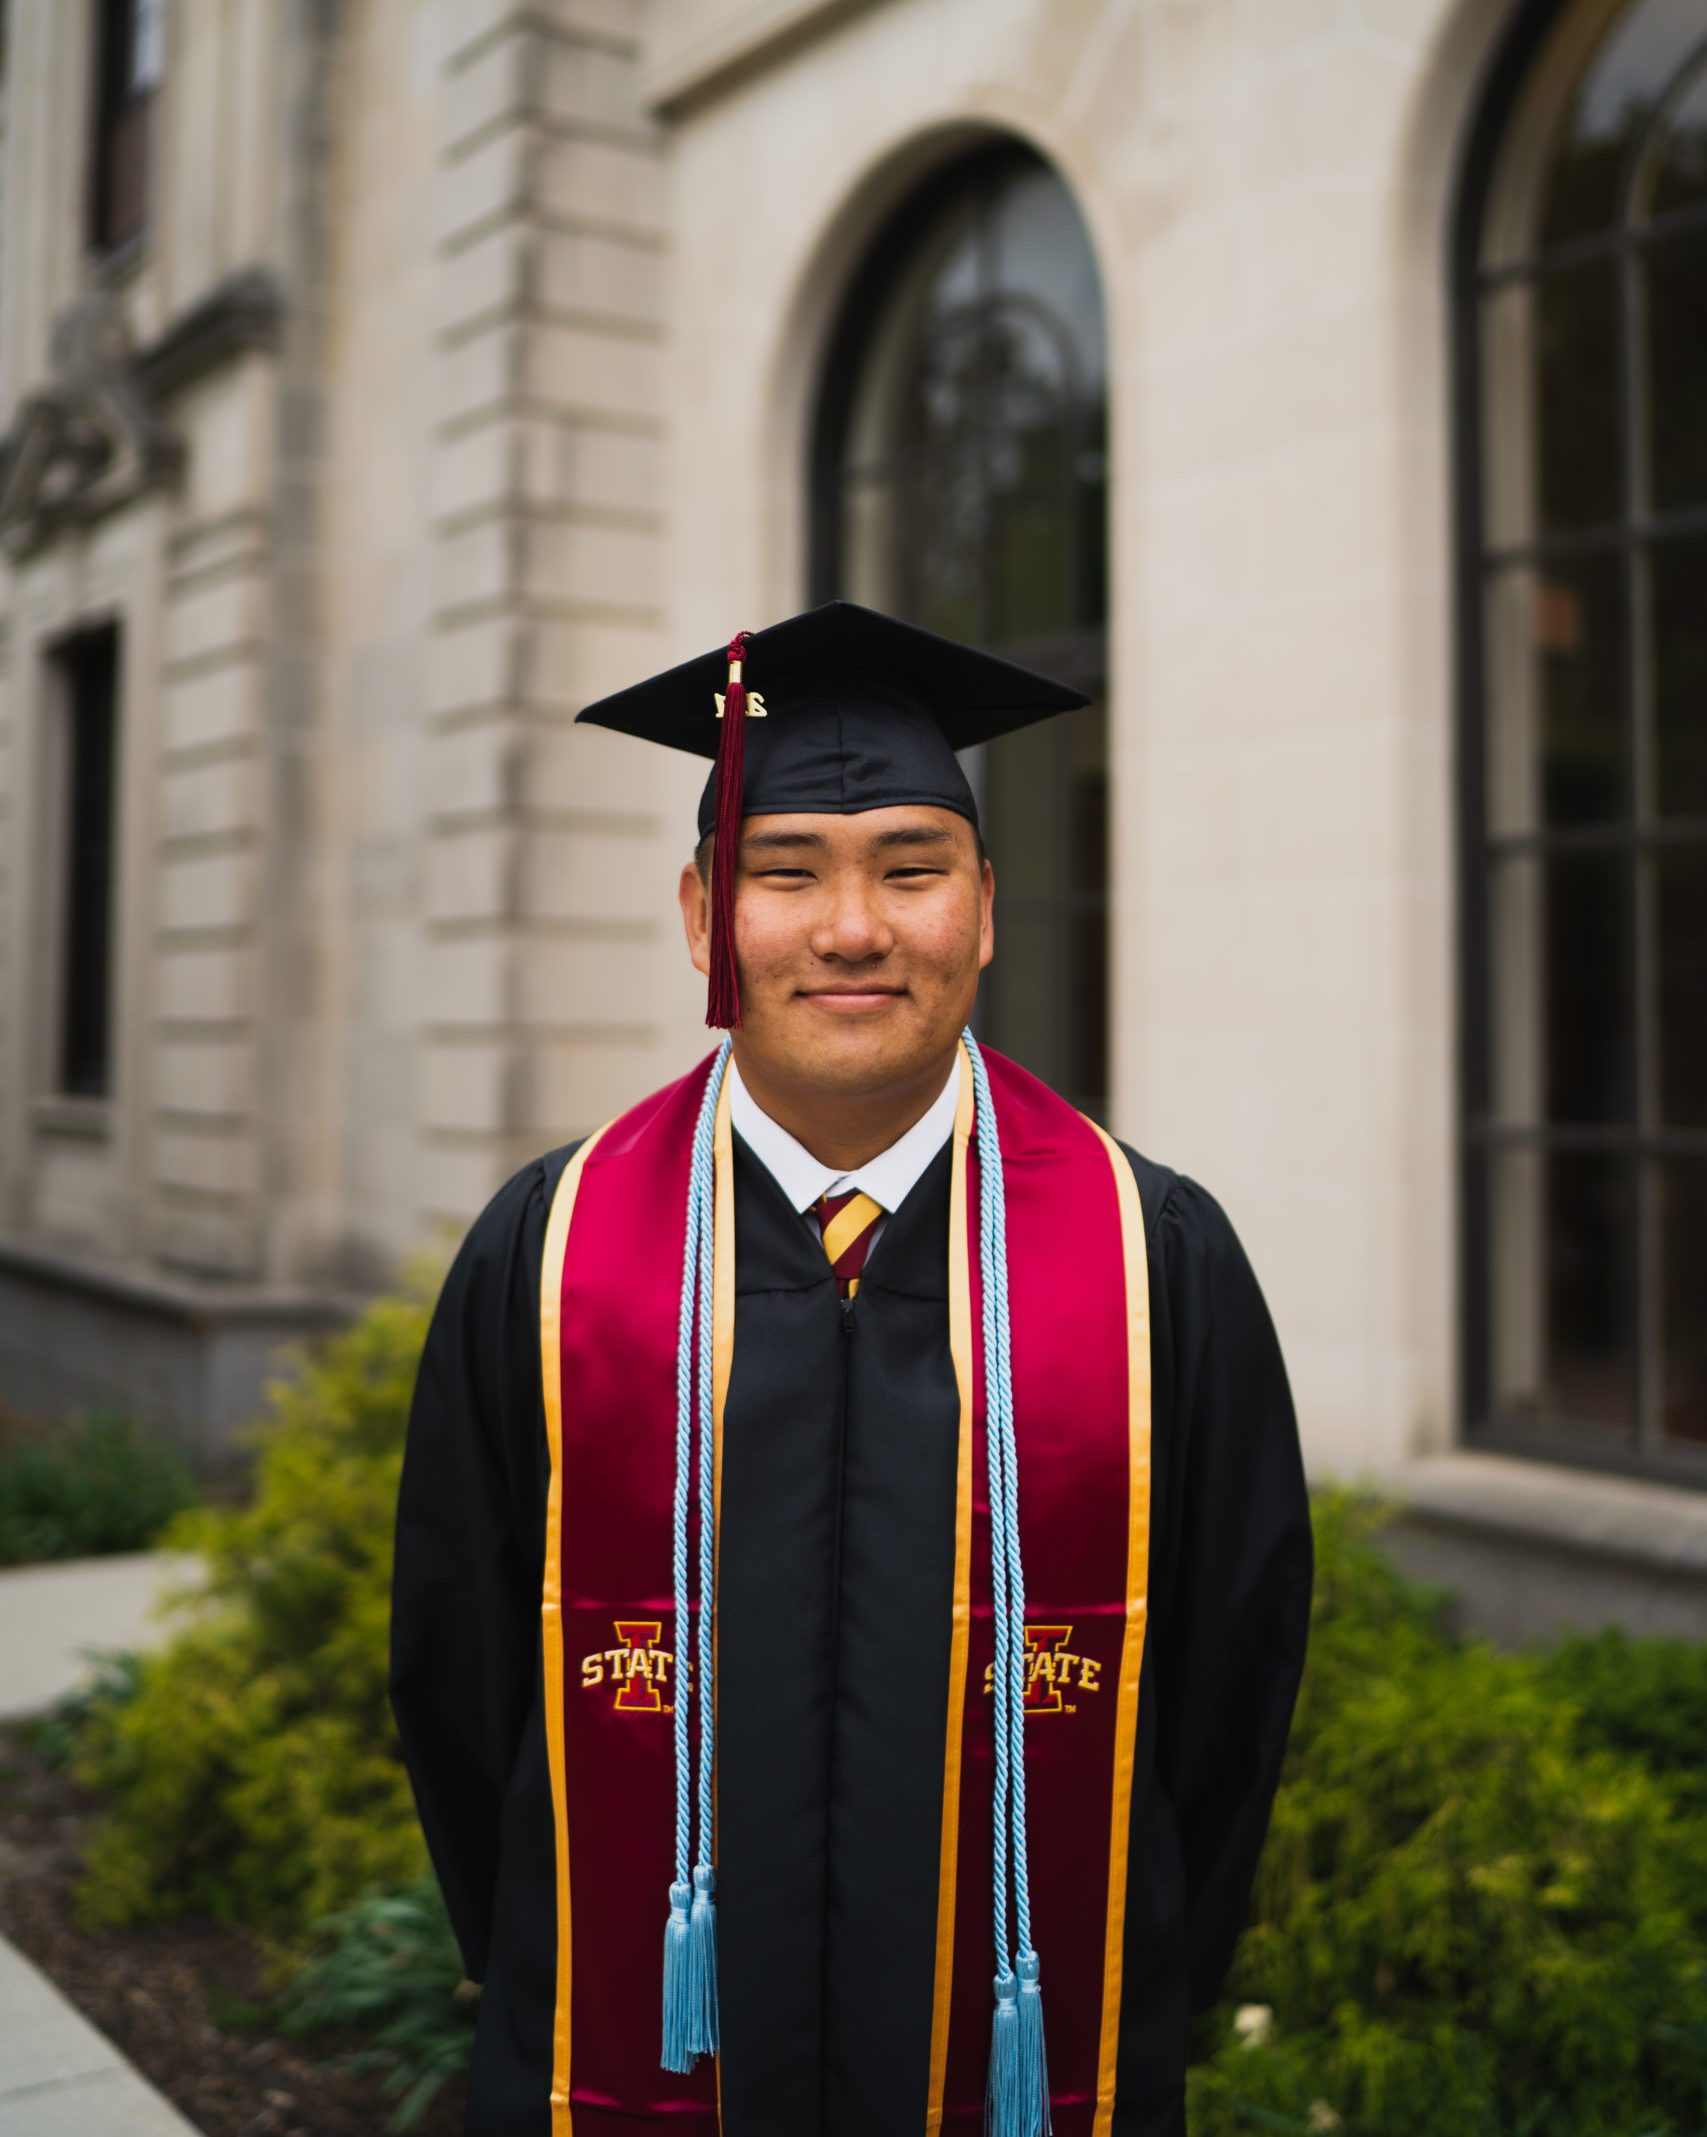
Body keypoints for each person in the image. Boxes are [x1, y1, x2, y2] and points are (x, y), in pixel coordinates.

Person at [391, 601, 1311, 2137]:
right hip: (627, 2055)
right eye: (786, 871)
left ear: (986, 905)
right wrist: (554, 1962)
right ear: (702, 917)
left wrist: (1135, 1988)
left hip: (1029, 2062)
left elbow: (1231, 1698)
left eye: (910, 867)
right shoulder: (550, 1258)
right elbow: (461, 1683)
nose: (853, 929)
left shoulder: (1156, 1260)